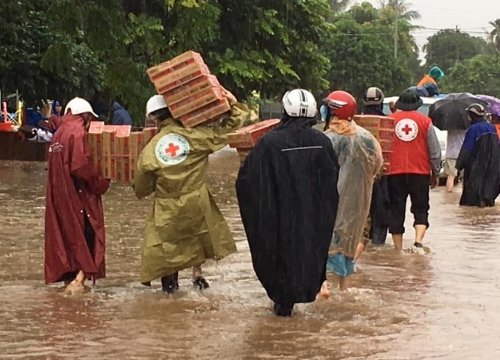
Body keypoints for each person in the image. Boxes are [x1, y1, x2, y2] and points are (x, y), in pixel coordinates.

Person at [235, 89, 339, 317]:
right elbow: (331, 183)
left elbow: (247, 181)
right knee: (307, 256)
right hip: (311, 219)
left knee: (278, 261)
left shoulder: (269, 143)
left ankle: (282, 308)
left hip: (278, 220)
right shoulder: (322, 142)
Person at [133, 89, 248, 294]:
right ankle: (198, 279)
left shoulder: (150, 149)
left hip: (167, 207)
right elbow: (228, 129)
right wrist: (234, 105)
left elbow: (141, 187)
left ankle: (170, 292)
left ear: (152, 118)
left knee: (166, 249)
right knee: (198, 240)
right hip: (197, 200)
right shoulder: (196, 136)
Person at [44, 97, 110, 294]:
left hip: (59, 197)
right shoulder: (78, 132)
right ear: (86, 116)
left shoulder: (58, 134)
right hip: (78, 196)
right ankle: (79, 280)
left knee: (64, 236)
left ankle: (70, 282)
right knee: (88, 234)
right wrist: (100, 182)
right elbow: (81, 166)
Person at [323, 90, 383, 291]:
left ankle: (322, 290)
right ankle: (344, 292)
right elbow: (378, 166)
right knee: (347, 251)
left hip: (332, 204)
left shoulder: (328, 138)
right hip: (359, 205)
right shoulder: (368, 138)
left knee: (326, 250)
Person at [387, 89, 441, 255]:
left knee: (396, 209)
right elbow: (434, 151)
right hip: (420, 172)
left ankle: (398, 250)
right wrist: (436, 172)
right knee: (420, 208)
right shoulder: (426, 122)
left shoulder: (389, 120)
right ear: (417, 104)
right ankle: (418, 242)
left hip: (394, 172)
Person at [456, 104, 500, 207]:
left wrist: (459, 165)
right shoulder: (491, 127)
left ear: (472, 115)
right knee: (486, 197)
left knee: (471, 202)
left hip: (475, 169)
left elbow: (467, 148)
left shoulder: (473, 129)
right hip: (491, 169)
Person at [362, 87, 391, 245]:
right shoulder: (389, 122)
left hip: (360, 174)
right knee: (381, 210)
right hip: (383, 175)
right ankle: (378, 245)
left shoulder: (355, 122)